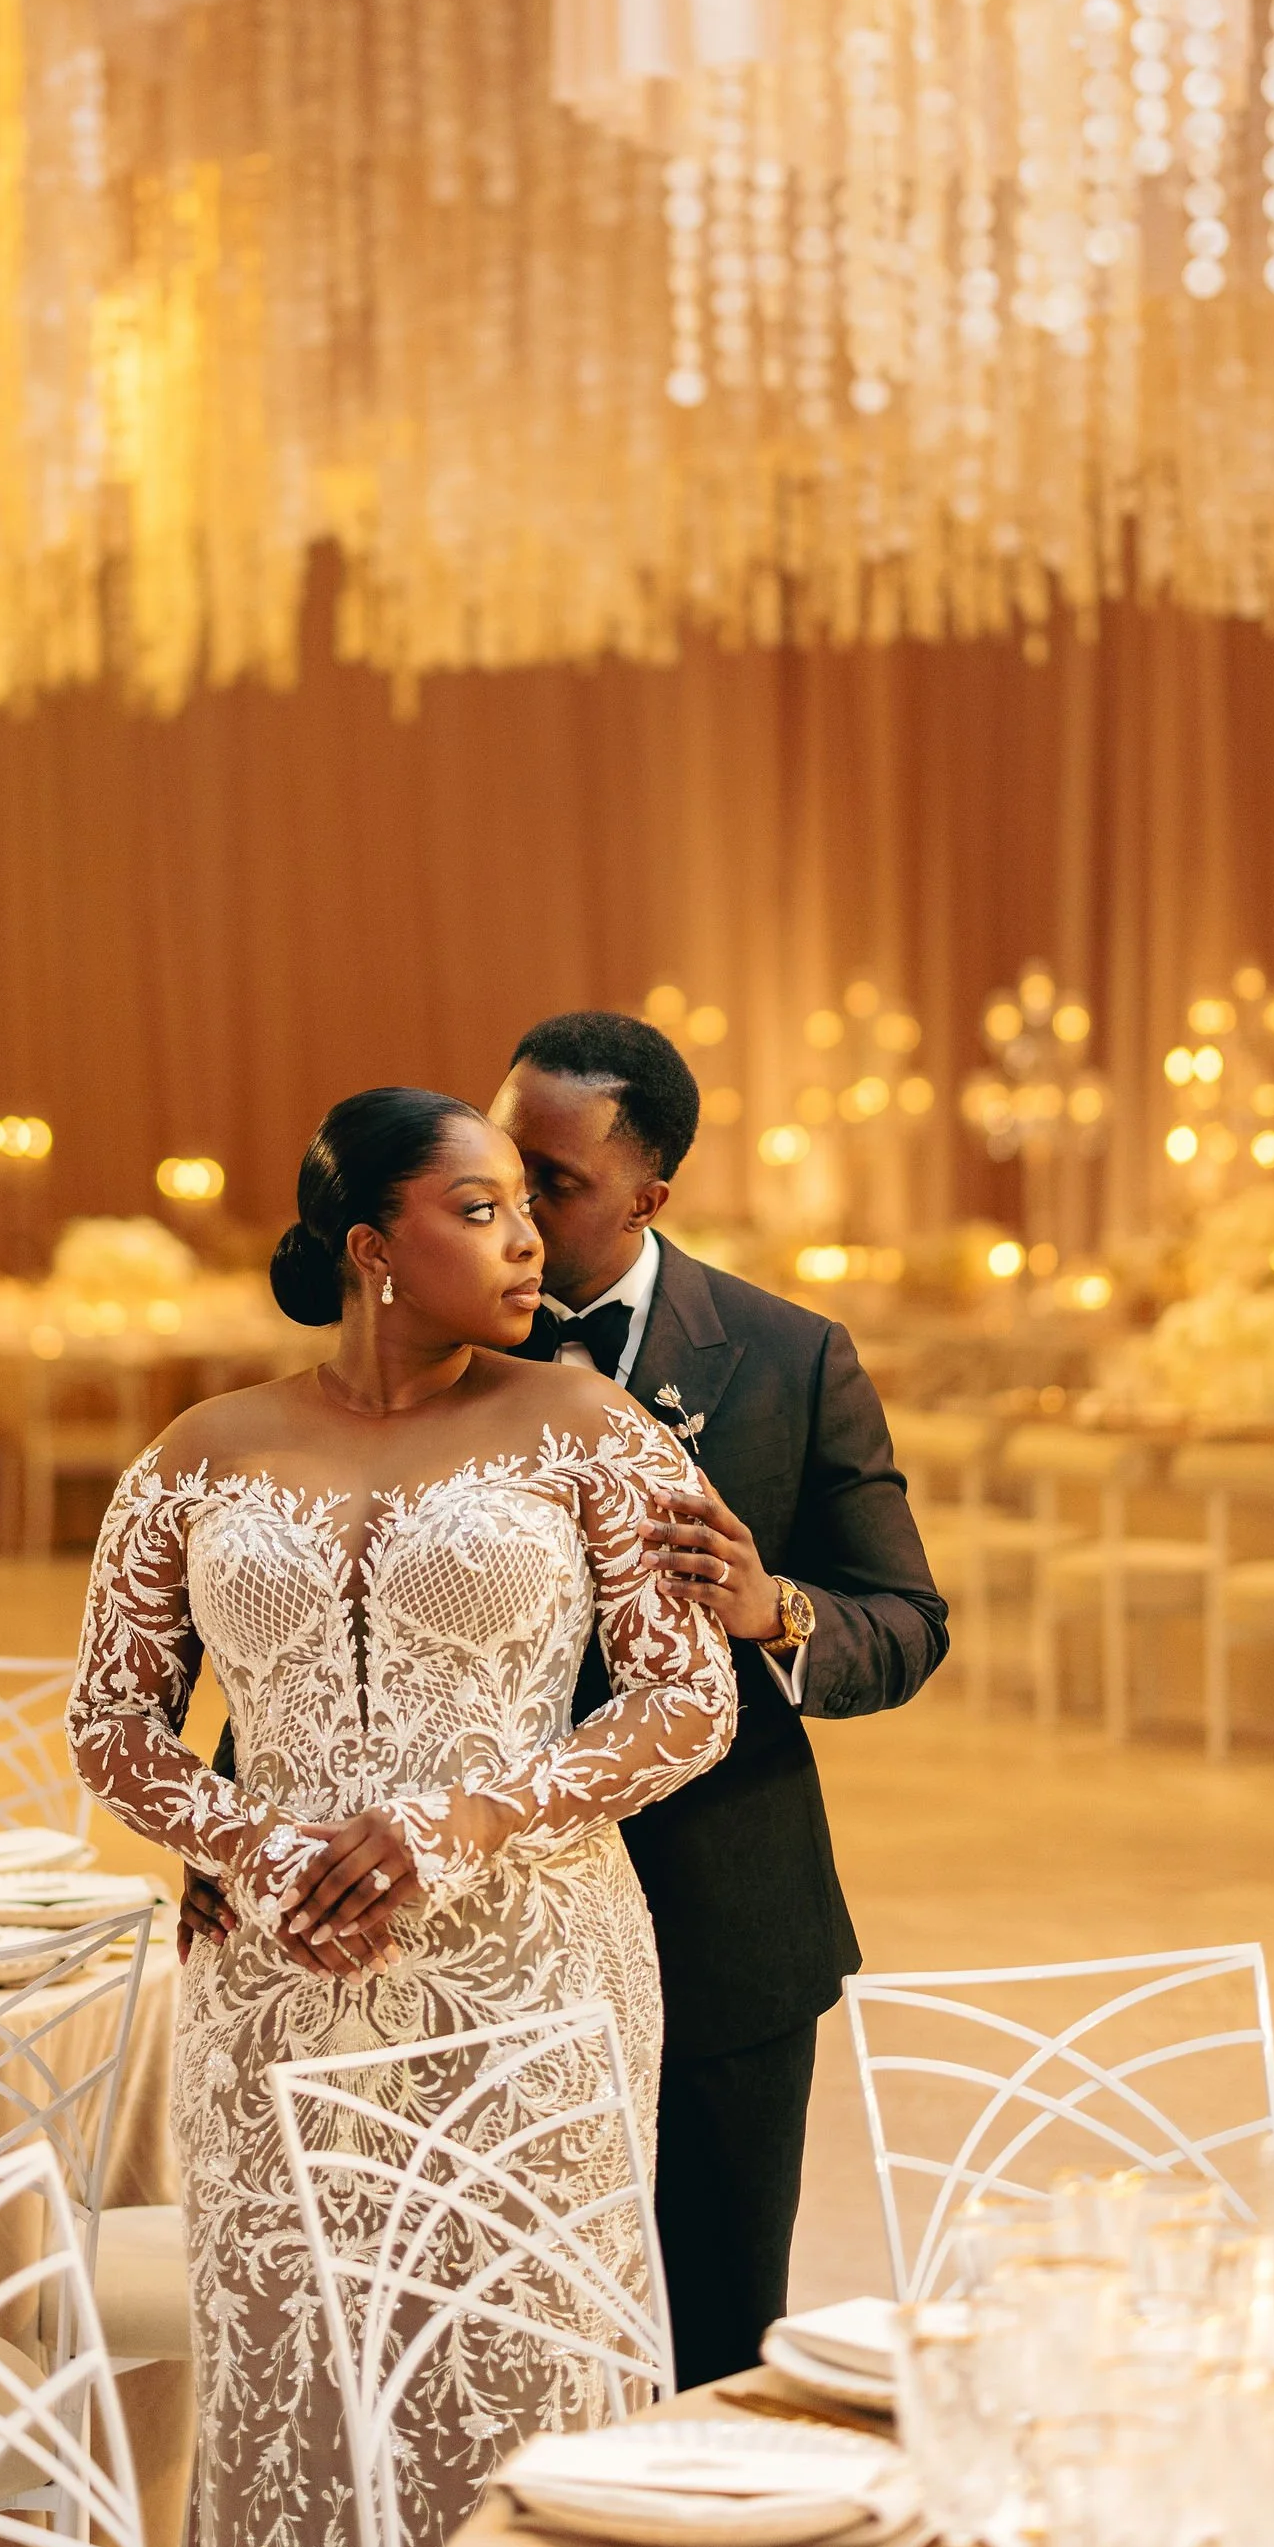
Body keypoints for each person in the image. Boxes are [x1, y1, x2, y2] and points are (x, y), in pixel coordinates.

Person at [67, 1085, 735, 2547]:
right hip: (278, 2005)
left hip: (531, 1986)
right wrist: (251, 1838)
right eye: (481, 1211)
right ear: (375, 1249)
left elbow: (686, 1699)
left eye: (530, 1209)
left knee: (523, 2377)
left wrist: (458, 1825)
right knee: (299, 2399)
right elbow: (113, 1727)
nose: (528, 1242)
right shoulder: (202, 1451)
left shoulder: (588, 1428)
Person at [494, 1008, 948, 2385]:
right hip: (493, 1927)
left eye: (551, 1186)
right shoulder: (434, 1352)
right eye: (500, 1173)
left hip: (723, 1924)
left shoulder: (790, 1357)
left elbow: (908, 1622)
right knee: (509, 2328)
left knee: (714, 2338)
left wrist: (776, 1613)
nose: (512, 1215)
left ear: (650, 1194)